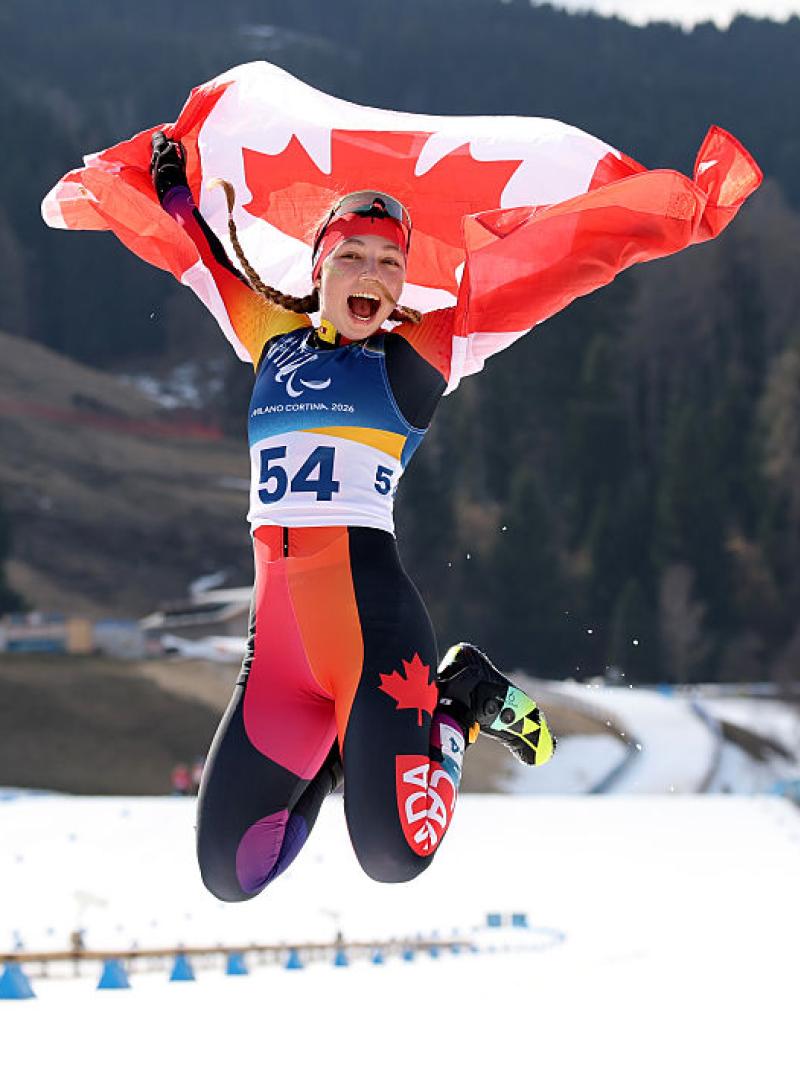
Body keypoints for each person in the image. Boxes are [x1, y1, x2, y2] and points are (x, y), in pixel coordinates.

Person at [149, 133, 554, 900]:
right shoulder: (269, 341)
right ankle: (342, 749)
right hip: (277, 655)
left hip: (376, 636)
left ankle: (462, 698)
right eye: (354, 255)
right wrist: (174, 192)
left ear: (403, 289)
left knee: (396, 856)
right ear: (318, 270)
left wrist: (634, 224)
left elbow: (534, 284)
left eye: (391, 262)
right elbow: (200, 262)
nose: (373, 274)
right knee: (232, 874)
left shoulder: (413, 360)